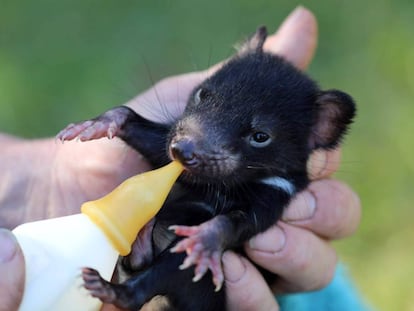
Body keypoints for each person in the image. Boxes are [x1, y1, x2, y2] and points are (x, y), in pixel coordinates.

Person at [0, 6, 367, 311]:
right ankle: (138, 266)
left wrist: (217, 232)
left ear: (319, 131)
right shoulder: (189, 144)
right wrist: (122, 121)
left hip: (204, 289)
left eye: (258, 137)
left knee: (187, 260)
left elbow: (245, 222)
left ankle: (133, 291)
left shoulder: (277, 185)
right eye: (204, 100)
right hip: (145, 243)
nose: (191, 143)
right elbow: (158, 141)